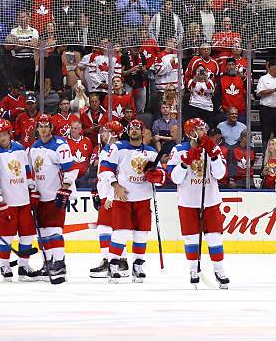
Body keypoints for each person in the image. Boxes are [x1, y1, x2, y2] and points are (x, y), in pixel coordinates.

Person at [99, 119, 164, 283]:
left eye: (138, 128)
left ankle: (138, 265)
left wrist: (156, 176)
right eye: (132, 128)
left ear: (143, 132)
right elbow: (104, 169)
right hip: (123, 198)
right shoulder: (118, 147)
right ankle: (113, 265)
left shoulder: (151, 152)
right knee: (120, 233)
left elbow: (161, 175)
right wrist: (115, 185)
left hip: (143, 198)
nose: (134, 130)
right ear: (128, 131)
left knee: (141, 234)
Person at [166, 118, 229, 288]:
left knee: (215, 237)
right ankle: (193, 269)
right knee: (191, 238)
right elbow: (174, 177)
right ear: (191, 132)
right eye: (200, 129)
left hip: (210, 200)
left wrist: (214, 157)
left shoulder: (213, 148)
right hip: (187, 201)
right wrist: (185, 163)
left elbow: (221, 174)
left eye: (204, 128)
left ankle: (219, 270)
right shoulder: (179, 150)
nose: (204, 132)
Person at [0, 120, 40, 282]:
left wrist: (32, 189)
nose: (1, 138)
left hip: (23, 200)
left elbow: (27, 172)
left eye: (4, 134)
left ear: (10, 133)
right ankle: (4, 265)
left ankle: (23, 266)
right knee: (6, 236)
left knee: (27, 235)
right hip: (7, 203)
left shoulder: (20, 149)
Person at [28, 114, 78, 283]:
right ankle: (47, 263)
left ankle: (59, 262)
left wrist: (65, 188)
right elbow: (31, 173)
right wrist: (32, 190)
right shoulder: (33, 147)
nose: (43, 129)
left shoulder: (60, 145)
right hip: (40, 198)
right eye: (40, 126)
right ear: (37, 128)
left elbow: (72, 169)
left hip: (55, 195)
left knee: (54, 231)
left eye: (46, 126)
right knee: (42, 232)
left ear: (51, 128)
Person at [90, 121, 124, 279]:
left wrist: (110, 196)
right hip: (106, 194)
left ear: (113, 133)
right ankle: (121, 262)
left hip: (112, 196)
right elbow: (101, 175)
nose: (102, 134)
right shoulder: (107, 149)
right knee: (114, 229)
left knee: (105, 228)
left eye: (106, 131)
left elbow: (116, 176)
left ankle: (108, 261)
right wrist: (97, 191)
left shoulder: (115, 150)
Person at [219, 57, 247, 124]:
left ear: (235, 66)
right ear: (226, 66)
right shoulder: (221, 79)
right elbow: (218, 94)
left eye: (233, 64)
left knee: (242, 132)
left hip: (240, 111)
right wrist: (219, 107)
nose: (231, 66)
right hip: (226, 111)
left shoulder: (242, 79)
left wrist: (244, 78)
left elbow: (249, 90)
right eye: (229, 65)